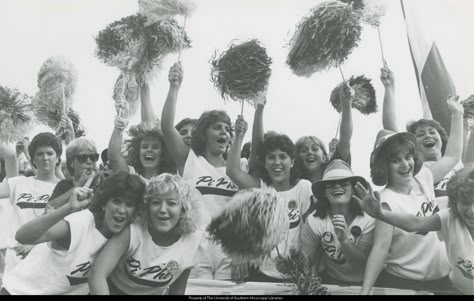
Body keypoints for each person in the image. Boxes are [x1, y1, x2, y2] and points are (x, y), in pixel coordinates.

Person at [161, 63, 245, 281]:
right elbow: (167, 128)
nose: (224, 132)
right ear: (204, 133)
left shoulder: (238, 169)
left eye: (227, 129)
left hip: (229, 250)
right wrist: (174, 87)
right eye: (217, 127)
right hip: (195, 246)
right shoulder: (190, 161)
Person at [359, 116, 462, 294]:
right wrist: (365, 291)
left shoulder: (423, 177)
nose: (405, 164)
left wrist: (456, 113)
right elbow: (380, 248)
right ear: (384, 166)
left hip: (443, 280)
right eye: (395, 160)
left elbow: (452, 155)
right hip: (406, 284)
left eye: (408, 157)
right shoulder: (385, 201)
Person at [0, 172, 145, 295]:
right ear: (104, 203)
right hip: (19, 292)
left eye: (129, 204)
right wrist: (68, 208)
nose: (122, 209)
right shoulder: (81, 223)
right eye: (117, 201)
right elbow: (23, 236)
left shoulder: (125, 238)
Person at [354, 166, 474, 295]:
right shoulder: (450, 217)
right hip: (456, 290)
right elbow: (416, 223)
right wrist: (381, 214)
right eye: (465, 202)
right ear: (455, 202)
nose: (472, 211)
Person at [226, 113, 313, 282]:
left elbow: (311, 233)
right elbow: (232, 171)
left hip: (296, 275)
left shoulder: (303, 187)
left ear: (292, 161)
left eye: (283, 157)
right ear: (264, 163)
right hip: (261, 274)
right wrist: (238, 136)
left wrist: (301, 263)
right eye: (271, 157)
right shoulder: (260, 188)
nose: (277, 162)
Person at [88, 173, 203, 295]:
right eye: (156, 202)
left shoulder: (193, 240)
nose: (163, 210)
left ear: (183, 209)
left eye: (171, 203)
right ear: (147, 207)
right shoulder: (132, 232)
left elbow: (177, 290)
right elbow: (97, 275)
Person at [381, 62, 465, 197]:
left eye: (432, 132)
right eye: (420, 134)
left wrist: (458, 114)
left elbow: (454, 155)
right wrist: (390, 88)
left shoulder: (458, 165)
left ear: (442, 139)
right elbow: (390, 130)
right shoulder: (417, 173)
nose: (427, 135)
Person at [300, 159, 374, 286]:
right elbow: (304, 261)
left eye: (344, 182)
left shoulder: (368, 218)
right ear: (324, 193)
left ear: (353, 189)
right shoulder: (315, 220)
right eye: (330, 184)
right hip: (330, 282)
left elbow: (361, 266)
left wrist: (344, 240)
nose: (337, 186)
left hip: (365, 284)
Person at [0, 132, 62, 272]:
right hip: (15, 259)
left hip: (45, 260)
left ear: (57, 158)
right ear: (32, 158)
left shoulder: (64, 188)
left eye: (49, 153)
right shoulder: (19, 182)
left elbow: (62, 230)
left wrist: (34, 245)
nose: (45, 158)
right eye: (39, 154)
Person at [109, 80, 175, 184]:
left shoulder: (170, 181)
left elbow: (149, 121)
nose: (149, 150)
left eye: (155, 147)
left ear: (163, 153)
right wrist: (120, 122)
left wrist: (145, 80)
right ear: (137, 151)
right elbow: (114, 157)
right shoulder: (131, 176)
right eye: (144, 146)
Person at [294, 83, 354, 183]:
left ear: (325, 157)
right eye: (303, 150)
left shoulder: (335, 169)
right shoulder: (293, 182)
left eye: (315, 148)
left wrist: (346, 104)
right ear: (296, 159)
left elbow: (345, 139)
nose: (309, 152)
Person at [45, 137, 99, 212]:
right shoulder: (63, 185)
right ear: (71, 163)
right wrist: (79, 185)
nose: (89, 161)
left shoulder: (102, 184)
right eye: (83, 158)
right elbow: (49, 208)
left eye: (93, 157)